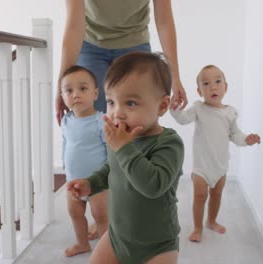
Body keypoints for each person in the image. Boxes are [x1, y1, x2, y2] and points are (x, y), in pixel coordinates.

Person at [67, 52, 184, 264]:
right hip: (117, 237)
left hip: (157, 246)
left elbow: (154, 185)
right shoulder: (119, 140)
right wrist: (92, 183)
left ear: (162, 106)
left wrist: (124, 148)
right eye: (111, 102)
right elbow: (112, 169)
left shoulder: (168, 144)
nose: (117, 113)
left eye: (130, 103)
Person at [56, 0, 188, 126]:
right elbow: (74, 26)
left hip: (134, 41)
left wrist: (174, 76)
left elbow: (164, 20)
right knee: (90, 117)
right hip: (90, 43)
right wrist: (61, 87)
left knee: (135, 117)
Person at [170, 65, 261, 242]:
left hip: (220, 166)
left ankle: (211, 220)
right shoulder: (198, 108)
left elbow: (235, 135)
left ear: (225, 87)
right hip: (201, 167)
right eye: (206, 83)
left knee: (216, 195)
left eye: (218, 82)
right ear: (199, 90)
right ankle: (197, 227)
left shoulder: (230, 112)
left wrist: (247, 139)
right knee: (200, 195)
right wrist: (175, 110)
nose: (213, 87)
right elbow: (182, 120)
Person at [60, 65, 109, 256]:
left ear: (95, 93)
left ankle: (107, 250)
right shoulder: (66, 121)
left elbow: (110, 150)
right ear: (62, 96)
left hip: (97, 182)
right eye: (69, 91)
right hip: (73, 179)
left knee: (101, 216)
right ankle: (82, 243)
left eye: (83, 89)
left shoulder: (101, 120)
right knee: (75, 213)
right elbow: (65, 144)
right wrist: (65, 167)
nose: (76, 95)